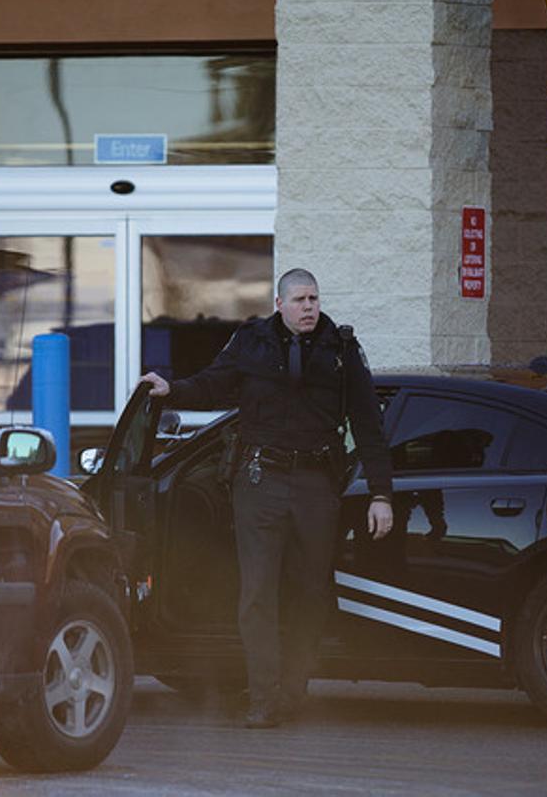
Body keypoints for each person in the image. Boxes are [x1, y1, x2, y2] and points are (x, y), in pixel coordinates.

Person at [140, 268, 393, 728]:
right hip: (260, 480)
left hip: (316, 483)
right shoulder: (251, 342)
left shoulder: (341, 348)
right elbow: (213, 383)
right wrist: (171, 390)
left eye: (314, 298)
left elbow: (368, 422)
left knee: (311, 591)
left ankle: (293, 689)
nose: (309, 307)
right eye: (299, 299)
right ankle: (262, 695)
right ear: (280, 304)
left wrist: (381, 493)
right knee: (257, 591)